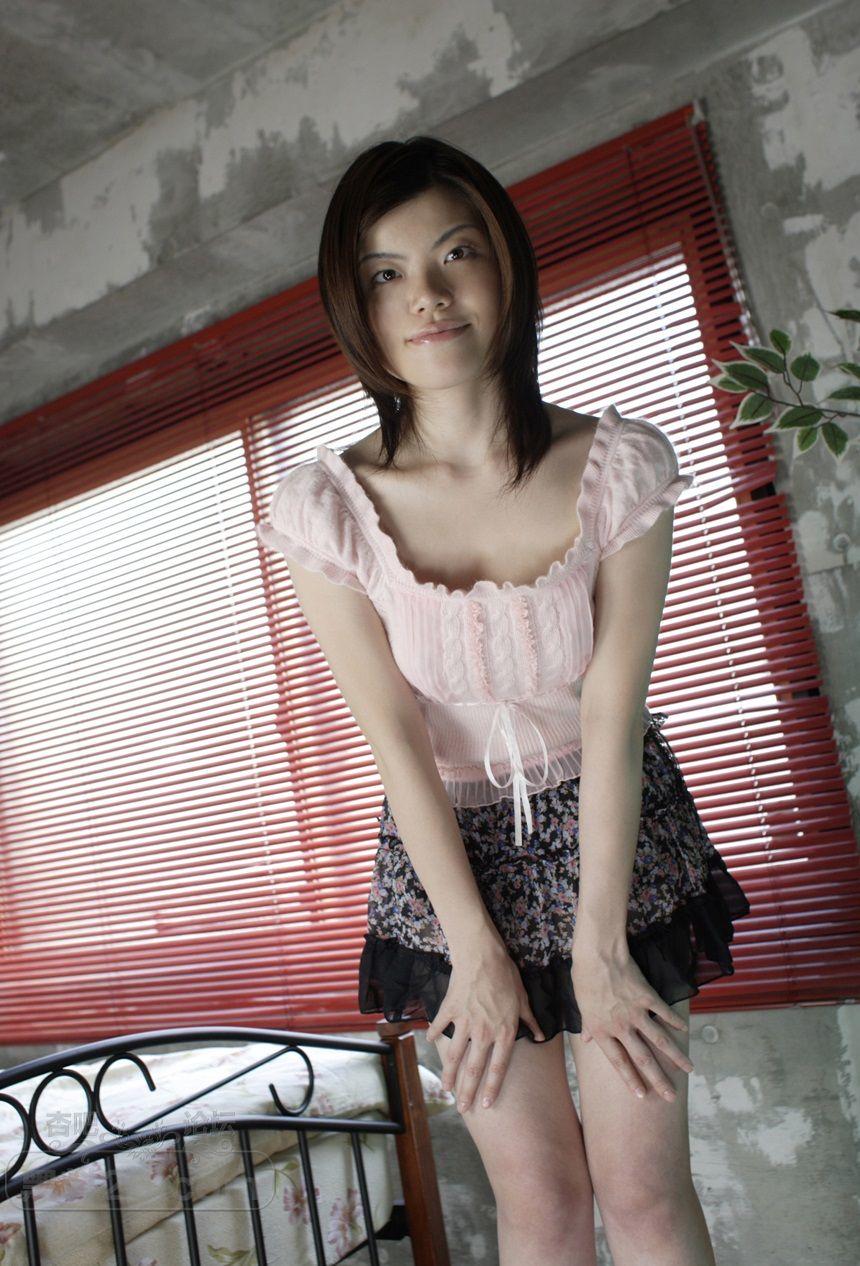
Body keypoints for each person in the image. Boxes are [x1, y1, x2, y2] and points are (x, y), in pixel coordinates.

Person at [255, 135, 751, 1266]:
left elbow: (615, 714)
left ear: (505, 266)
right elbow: (394, 742)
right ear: (355, 306)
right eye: (386, 273)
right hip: (446, 854)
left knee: (642, 1193)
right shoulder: (324, 506)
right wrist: (472, 950)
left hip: (615, 830)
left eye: (455, 254)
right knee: (539, 1201)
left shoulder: (618, 463)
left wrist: (597, 945)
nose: (426, 296)